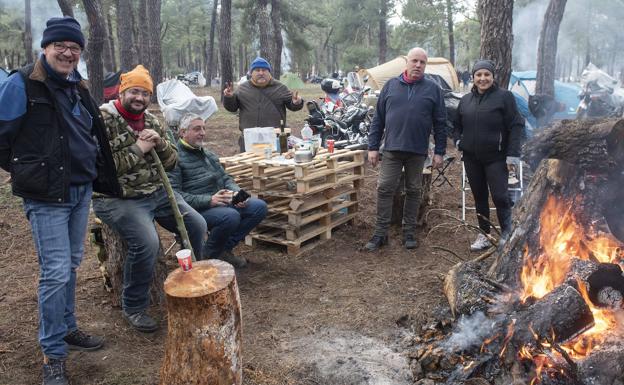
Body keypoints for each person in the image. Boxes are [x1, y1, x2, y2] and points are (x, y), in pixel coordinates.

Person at [0, 16, 120, 385]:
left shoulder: (75, 85)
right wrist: (29, 170)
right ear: (46, 48)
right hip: (47, 194)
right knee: (54, 271)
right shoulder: (22, 84)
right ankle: (53, 353)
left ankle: (67, 326)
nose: (68, 53)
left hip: (80, 189)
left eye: (75, 48)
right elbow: (3, 138)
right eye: (61, 46)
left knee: (69, 264)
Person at [92, 65, 207, 333]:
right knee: (146, 242)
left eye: (145, 93)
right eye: (134, 91)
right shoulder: (102, 121)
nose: (140, 98)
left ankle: (190, 280)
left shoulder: (152, 121)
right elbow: (99, 169)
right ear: (122, 92)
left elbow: (172, 162)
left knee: (197, 224)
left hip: (157, 192)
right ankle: (133, 306)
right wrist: (138, 148)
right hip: (118, 198)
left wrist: (160, 144)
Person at [365, 47, 447, 251]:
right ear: (407, 62)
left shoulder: (433, 89)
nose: (418, 65)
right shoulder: (391, 86)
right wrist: (373, 147)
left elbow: (441, 123)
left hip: (418, 150)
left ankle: (409, 232)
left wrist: (439, 151)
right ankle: (380, 233)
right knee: (384, 188)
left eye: (422, 62)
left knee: (413, 190)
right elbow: (378, 119)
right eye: (414, 61)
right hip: (392, 148)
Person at [168, 113, 268, 268]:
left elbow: (226, 178)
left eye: (203, 128)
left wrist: (238, 195)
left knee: (258, 207)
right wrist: (209, 200)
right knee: (230, 216)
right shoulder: (174, 158)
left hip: (221, 203)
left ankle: (223, 250)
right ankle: (207, 255)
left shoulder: (207, 153)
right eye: (197, 129)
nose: (202, 133)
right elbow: (175, 196)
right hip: (195, 210)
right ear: (182, 132)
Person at [453, 59, 524, 251]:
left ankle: (507, 235)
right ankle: (484, 235)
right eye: (479, 75)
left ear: (493, 77)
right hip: (471, 158)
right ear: (474, 77)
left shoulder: (504, 97)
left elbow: (516, 125)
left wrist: (513, 154)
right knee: (479, 197)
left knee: (500, 196)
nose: (482, 78)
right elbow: (456, 124)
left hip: (496, 157)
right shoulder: (466, 100)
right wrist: (459, 141)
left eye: (487, 75)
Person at [223, 57, 304, 152]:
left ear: (269, 72)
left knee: (274, 166)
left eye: (264, 70)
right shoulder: (243, 89)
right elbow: (232, 108)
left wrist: (297, 102)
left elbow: (293, 106)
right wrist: (229, 97)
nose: (261, 73)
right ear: (251, 73)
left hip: (275, 138)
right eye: (257, 70)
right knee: (248, 166)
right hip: (249, 139)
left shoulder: (280, 88)